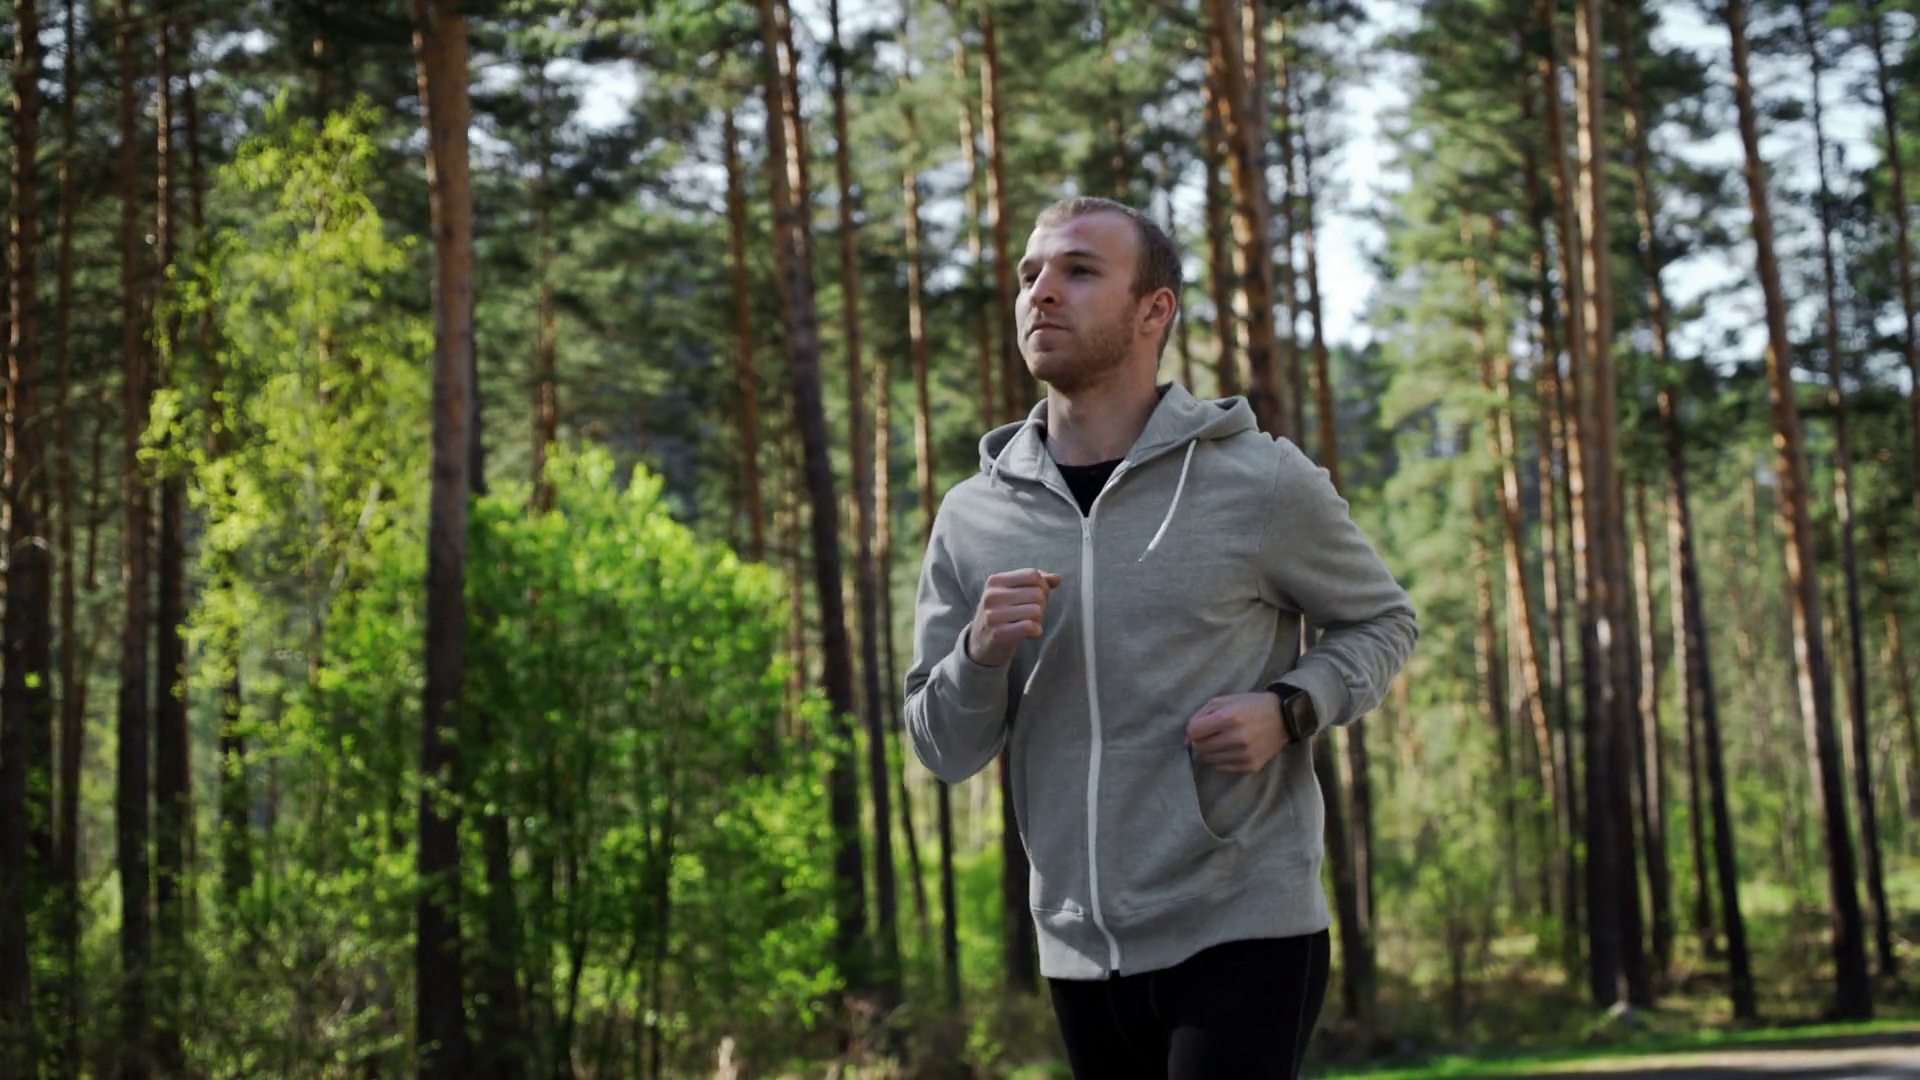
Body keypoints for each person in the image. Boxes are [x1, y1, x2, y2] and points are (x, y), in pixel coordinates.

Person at [902, 196, 1418, 1079]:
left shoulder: (1258, 481)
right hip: (1077, 946)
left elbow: (1384, 620)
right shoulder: (974, 515)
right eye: (1029, 275)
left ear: (1154, 310)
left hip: (1243, 920)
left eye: (1079, 271)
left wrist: (1290, 708)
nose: (1041, 292)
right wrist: (979, 652)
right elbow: (942, 748)